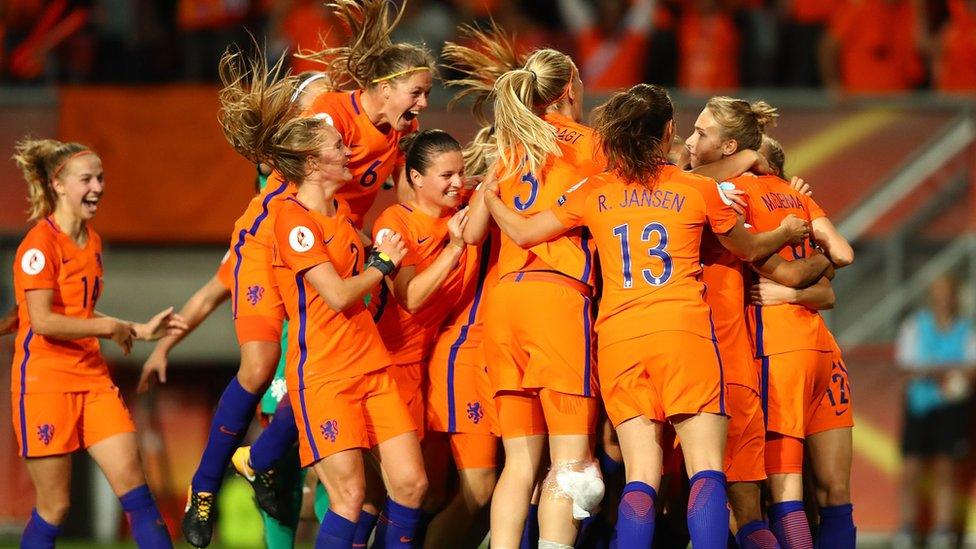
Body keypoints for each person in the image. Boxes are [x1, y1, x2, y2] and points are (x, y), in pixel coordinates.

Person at [481, 83, 811, 549]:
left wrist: (492, 198)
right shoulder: (698, 189)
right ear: (668, 132)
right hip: (683, 335)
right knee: (706, 471)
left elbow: (524, 231)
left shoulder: (594, 189)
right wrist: (787, 230)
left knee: (640, 475)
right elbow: (751, 247)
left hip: (619, 338)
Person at [218, 47, 429, 548]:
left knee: (412, 485)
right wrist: (383, 266)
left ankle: (259, 460)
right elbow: (335, 296)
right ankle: (239, 471)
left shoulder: (344, 222)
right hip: (325, 375)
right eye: (340, 146)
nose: (350, 152)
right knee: (349, 497)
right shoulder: (292, 220)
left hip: (372, 367)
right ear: (314, 162)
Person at [460, 46, 607, 549]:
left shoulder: (511, 147)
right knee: (572, 465)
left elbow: (474, 233)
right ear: (570, 89)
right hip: (556, 301)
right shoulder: (592, 144)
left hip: (502, 306)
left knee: (519, 464)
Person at [11, 137, 188, 548]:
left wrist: (139, 330)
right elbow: (42, 321)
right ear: (58, 185)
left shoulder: (92, 241)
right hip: (44, 384)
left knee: (136, 489)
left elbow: (82, 315)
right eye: (86, 179)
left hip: (92, 379)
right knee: (55, 507)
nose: (98, 187)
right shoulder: (39, 245)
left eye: (101, 178)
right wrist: (109, 329)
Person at [181, 65, 331, 547]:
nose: (333, 117)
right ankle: (207, 485)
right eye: (323, 106)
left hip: (322, 278)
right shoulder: (288, 162)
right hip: (273, 271)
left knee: (340, 458)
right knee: (263, 369)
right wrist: (163, 341)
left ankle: (254, 459)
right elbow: (212, 289)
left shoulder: (349, 152)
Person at [684, 96, 836, 548]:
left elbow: (782, 269)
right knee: (766, 501)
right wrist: (812, 245)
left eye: (701, 134)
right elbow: (832, 268)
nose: (690, 143)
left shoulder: (725, 196)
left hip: (723, 362)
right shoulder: (704, 185)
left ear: (729, 147)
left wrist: (791, 282)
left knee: (659, 493)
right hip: (741, 362)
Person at [736, 134, 857, 549]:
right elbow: (830, 287)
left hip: (777, 349)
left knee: (778, 494)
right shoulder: (801, 205)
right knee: (834, 493)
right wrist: (817, 265)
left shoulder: (737, 202)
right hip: (824, 353)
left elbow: (791, 278)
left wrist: (787, 291)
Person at [302, 0, 436, 228]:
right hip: (305, 227)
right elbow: (305, 190)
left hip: (344, 232)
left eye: (427, 93)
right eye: (416, 93)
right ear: (385, 89)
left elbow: (407, 193)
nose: (423, 103)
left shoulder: (405, 127)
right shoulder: (333, 112)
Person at [893, 275, 975, 549]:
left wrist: (931, 370)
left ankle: (942, 530)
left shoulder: (967, 329)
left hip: (951, 409)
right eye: (937, 292)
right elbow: (905, 366)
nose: (942, 298)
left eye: (946, 292)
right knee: (911, 470)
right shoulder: (916, 325)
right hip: (919, 406)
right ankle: (907, 528)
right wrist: (945, 369)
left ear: (954, 296)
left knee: (945, 469)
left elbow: (971, 369)